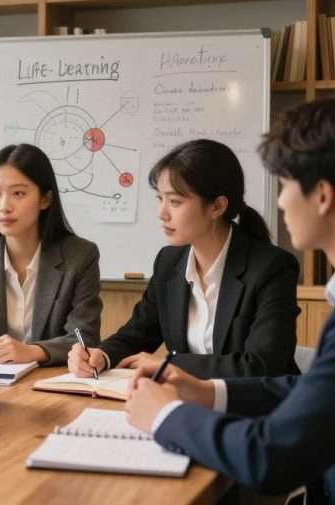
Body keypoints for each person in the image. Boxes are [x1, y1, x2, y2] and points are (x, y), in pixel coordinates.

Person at [125, 97, 335, 504]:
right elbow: (320, 389)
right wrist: (209, 392)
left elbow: (270, 458)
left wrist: (166, 416)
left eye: (285, 184)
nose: (280, 201)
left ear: (322, 195)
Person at [68, 139, 300, 379]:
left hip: (260, 408)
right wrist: (101, 356)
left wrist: (171, 364)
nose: (162, 213)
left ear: (217, 207)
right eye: (160, 198)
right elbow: (137, 335)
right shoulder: (169, 262)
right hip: (190, 403)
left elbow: (261, 366)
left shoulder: (272, 268)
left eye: (175, 202)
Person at [0, 144, 102, 365]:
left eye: (18, 193)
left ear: (45, 199)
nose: (4, 206)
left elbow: (84, 337)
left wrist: (33, 351)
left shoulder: (80, 256)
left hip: (48, 385)